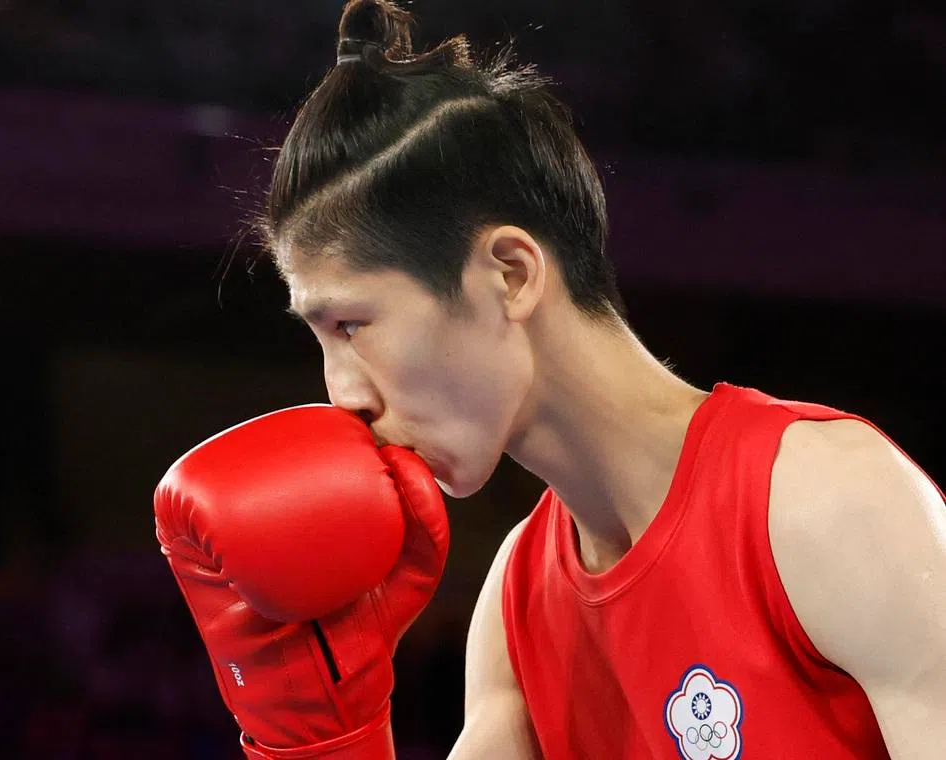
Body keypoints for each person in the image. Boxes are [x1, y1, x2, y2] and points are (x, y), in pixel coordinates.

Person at [153, 1, 946, 758]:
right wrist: (323, 738)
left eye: (352, 326)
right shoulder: (518, 606)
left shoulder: (827, 505)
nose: (344, 394)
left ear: (509, 274)